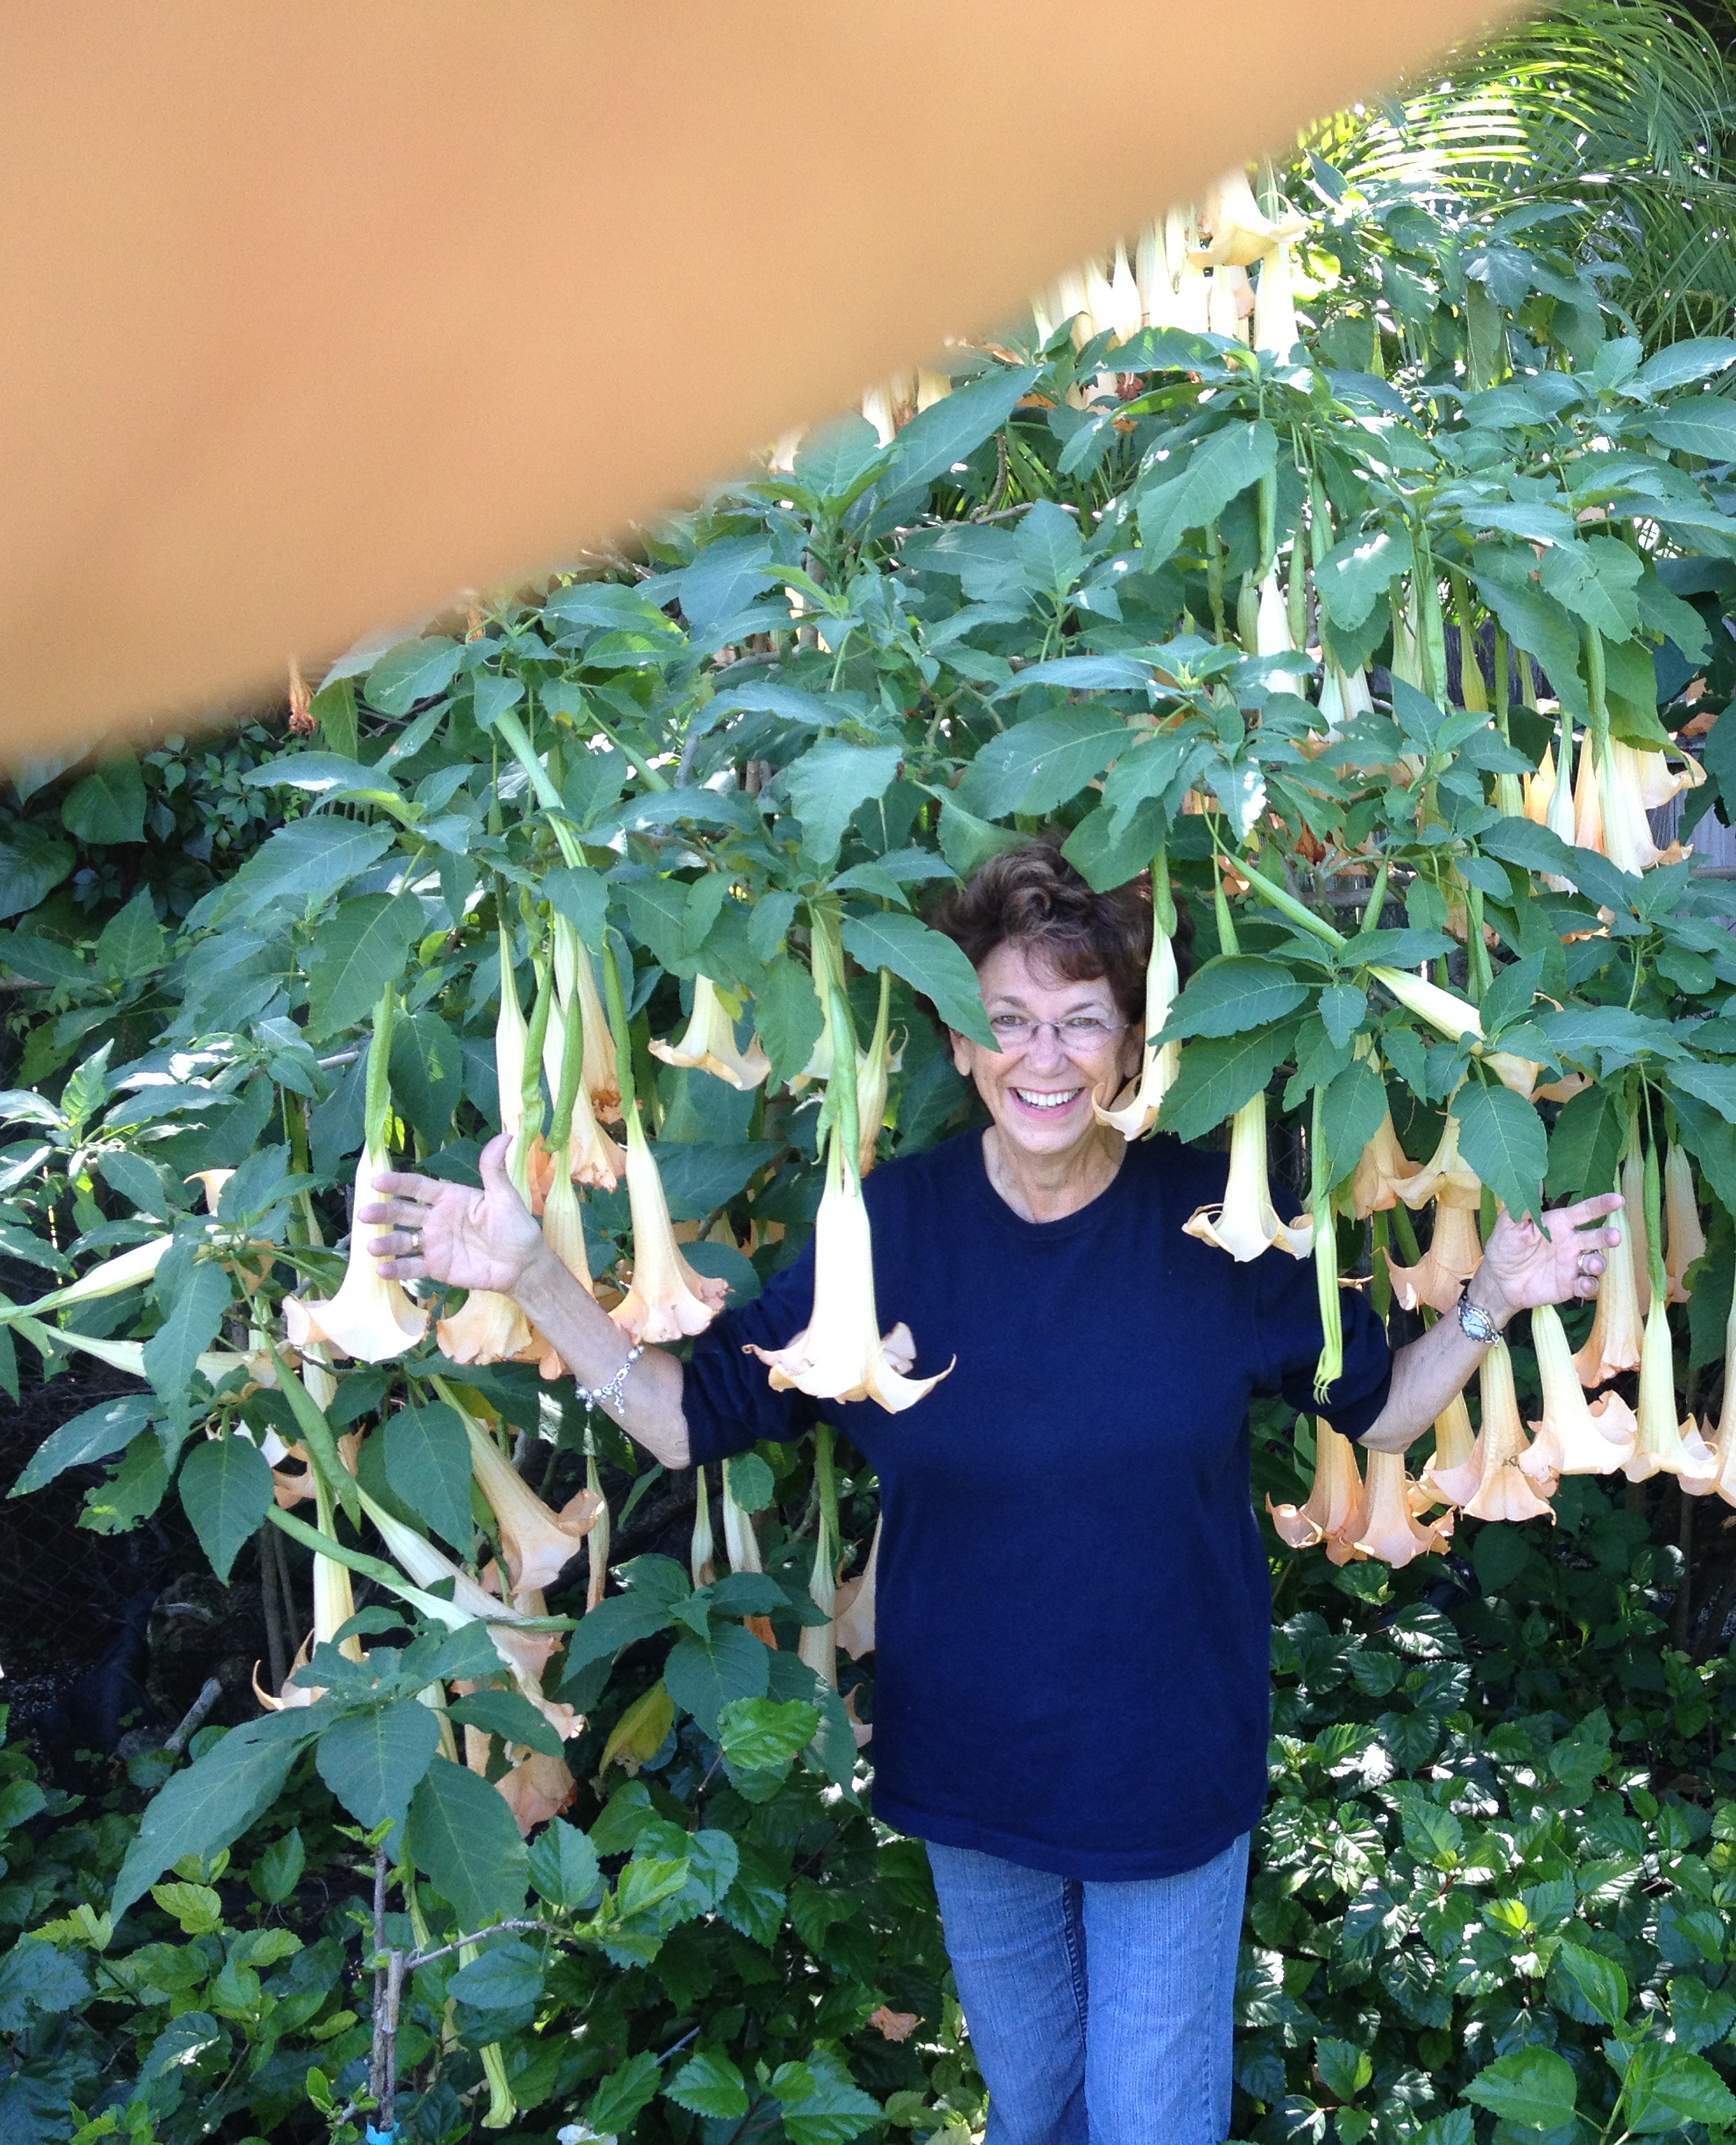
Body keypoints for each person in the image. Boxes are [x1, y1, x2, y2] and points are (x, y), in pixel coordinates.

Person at [361, 839, 1623, 2145]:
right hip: (972, 1766)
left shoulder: (1223, 1220)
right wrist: (530, 1277)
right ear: (960, 1045)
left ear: (1131, 1048)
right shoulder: (886, 1227)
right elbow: (692, 1423)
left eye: (1083, 1022)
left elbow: (1381, 1407)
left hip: (1166, 1765)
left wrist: (1492, 1300)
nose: (1044, 1058)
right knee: (1034, 2115)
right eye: (1007, 1021)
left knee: (1149, 2124)